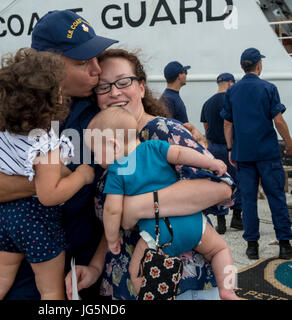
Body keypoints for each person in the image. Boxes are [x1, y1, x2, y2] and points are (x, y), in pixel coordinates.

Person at [0, 10, 230, 300]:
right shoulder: (17, 107)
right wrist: (57, 182)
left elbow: (145, 135)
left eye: (95, 59)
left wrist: (177, 132)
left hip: (88, 269)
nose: (96, 70)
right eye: (81, 62)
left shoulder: (100, 107)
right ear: (47, 65)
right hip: (24, 264)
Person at [65, 49, 233, 300]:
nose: (114, 92)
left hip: (178, 282)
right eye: (103, 87)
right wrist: (95, 268)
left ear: (142, 87)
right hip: (123, 285)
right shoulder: (109, 149)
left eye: (123, 82)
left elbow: (221, 186)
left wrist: (138, 206)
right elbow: (114, 229)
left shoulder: (162, 130)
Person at [0, 48, 97, 299]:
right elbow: (49, 194)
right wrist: (82, 176)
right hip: (36, 221)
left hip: (3, 217)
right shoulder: (47, 142)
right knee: (51, 290)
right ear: (55, 99)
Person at [86, 107, 239, 300]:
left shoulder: (117, 172)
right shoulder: (154, 147)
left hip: (157, 235)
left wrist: (111, 238)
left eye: (96, 153)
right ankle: (228, 290)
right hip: (193, 223)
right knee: (220, 249)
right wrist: (210, 163)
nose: (97, 160)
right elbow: (181, 153)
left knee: (136, 271)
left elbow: (112, 210)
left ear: (113, 145)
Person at [221, 47, 292, 260]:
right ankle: (285, 246)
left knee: (249, 200)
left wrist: (231, 148)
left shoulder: (232, 91)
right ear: (259, 65)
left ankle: (252, 246)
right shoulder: (268, 88)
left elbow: (227, 123)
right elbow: (278, 120)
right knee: (276, 197)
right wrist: (289, 142)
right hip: (267, 153)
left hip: (243, 154)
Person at [200, 73, 243, 234]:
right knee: (238, 182)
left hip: (214, 148)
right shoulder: (234, 101)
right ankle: (237, 217)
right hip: (231, 147)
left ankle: (221, 221)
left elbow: (206, 127)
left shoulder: (207, 103)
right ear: (230, 83)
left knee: (219, 182)